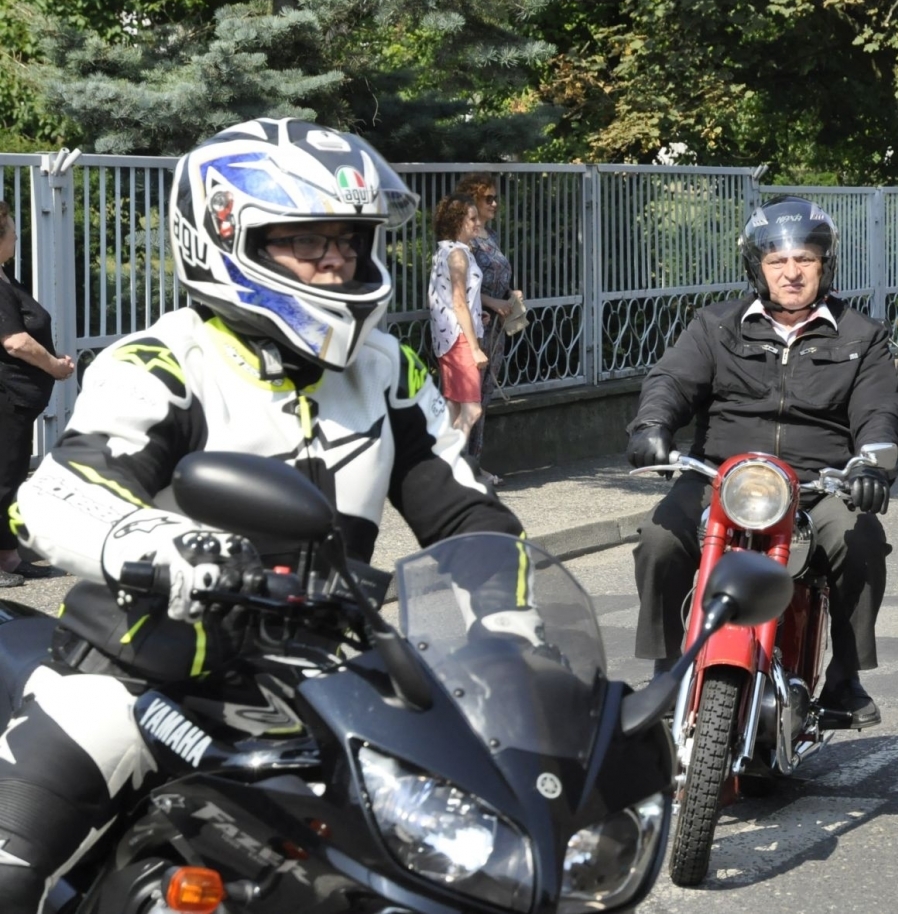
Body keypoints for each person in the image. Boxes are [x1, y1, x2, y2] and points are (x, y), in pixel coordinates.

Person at [0, 118, 522, 911]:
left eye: (348, 238)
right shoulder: (163, 361)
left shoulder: (385, 370)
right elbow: (53, 495)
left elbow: (461, 511)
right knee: (9, 871)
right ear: (222, 239)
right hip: (141, 682)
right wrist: (160, 543)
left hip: (326, 691)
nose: (336, 259)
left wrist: (516, 635)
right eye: (304, 239)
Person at [625, 197, 898, 728]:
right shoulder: (715, 326)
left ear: (825, 264)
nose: (792, 273)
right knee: (659, 538)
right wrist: (651, 427)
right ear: (758, 268)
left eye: (805, 259)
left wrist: (871, 465)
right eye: (777, 261)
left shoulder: (860, 337)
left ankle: (845, 675)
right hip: (722, 481)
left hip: (819, 485)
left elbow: (880, 415)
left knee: (859, 539)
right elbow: (671, 381)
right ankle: (667, 666)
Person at [0, 202, 74, 587]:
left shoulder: (5, 277)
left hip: (18, 400)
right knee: (2, 476)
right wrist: (54, 366)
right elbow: (15, 342)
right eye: (11, 229)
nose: (15, 235)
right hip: (5, 397)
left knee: (10, 474)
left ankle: (9, 558)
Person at [451, 173, 522, 488]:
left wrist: (512, 297)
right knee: (468, 400)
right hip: (473, 329)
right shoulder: (463, 242)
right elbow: (457, 287)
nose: (494, 203)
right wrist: (492, 301)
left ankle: (475, 464)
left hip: (493, 330)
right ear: (472, 201)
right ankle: (460, 467)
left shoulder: (488, 236)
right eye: (487, 198)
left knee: (484, 397)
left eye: (495, 197)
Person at [429, 196, 488, 438]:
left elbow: (455, 298)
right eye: (471, 218)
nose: (477, 223)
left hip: (448, 338)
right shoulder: (457, 255)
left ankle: (444, 468)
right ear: (457, 222)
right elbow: (458, 302)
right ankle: (444, 463)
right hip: (460, 338)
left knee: (453, 407)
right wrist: (474, 348)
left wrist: (477, 313)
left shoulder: (447, 251)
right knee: (472, 409)